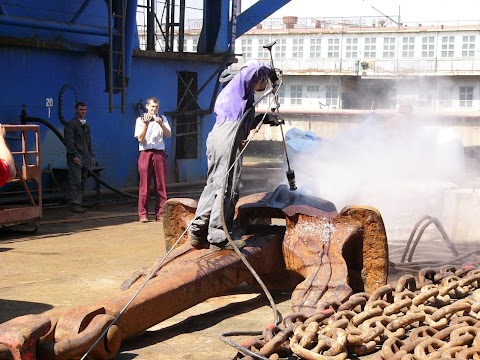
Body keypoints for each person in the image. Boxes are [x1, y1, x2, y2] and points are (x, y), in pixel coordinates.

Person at [189, 60, 282, 251]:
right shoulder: (239, 86)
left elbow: (241, 124)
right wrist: (271, 72)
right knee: (228, 187)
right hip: (227, 138)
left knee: (214, 185)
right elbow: (255, 67)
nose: (262, 85)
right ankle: (218, 237)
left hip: (219, 137)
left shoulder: (232, 97)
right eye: (262, 81)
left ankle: (198, 231)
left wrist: (262, 120)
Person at [134, 97, 172, 223]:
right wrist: (146, 125)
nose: (154, 109)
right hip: (145, 153)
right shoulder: (140, 120)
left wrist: (160, 123)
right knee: (144, 185)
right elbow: (140, 139)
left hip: (159, 153)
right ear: (147, 107)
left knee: (160, 184)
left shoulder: (162, 118)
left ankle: (160, 213)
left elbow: (168, 134)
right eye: (152, 107)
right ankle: (143, 214)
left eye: (156, 107)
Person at [64, 102, 96, 213]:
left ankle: (78, 202)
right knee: (75, 181)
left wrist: (92, 155)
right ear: (76, 110)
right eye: (81, 109)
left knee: (82, 181)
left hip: (85, 157)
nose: (83, 111)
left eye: (85, 109)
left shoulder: (86, 125)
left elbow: (89, 142)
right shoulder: (71, 125)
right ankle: (75, 204)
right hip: (76, 158)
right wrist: (73, 155)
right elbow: (69, 142)